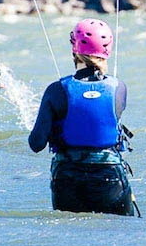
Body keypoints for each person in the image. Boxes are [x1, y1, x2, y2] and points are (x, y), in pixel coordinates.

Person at [28, 18, 137, 216]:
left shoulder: (55, 90)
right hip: (109, 178)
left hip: (67, 179)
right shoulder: (119, 88)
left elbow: (36, 144)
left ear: (74, 50)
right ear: (107, 51)